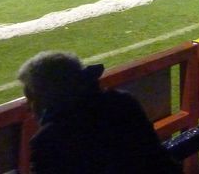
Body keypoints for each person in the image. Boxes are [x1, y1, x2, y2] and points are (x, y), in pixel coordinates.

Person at [17, 51, 181, 174]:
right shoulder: (122, 103)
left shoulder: (48, 141)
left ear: (48, 96)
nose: (29, 106)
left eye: (31, 97)